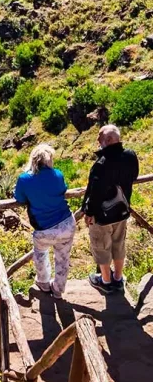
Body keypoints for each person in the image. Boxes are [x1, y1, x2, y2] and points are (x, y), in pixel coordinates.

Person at [14, 144, 76, 299]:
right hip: (66, 223)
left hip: (44, 228)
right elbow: (62, 190)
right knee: (63, 258)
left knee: (40, 254)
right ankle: (58, 290)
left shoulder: (24, 179)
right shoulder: (58, 175)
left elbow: (19, 199)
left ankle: (44, 283)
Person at [83, 124, 139, 294]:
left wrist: (89, 213)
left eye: (100, 139)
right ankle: (118, 278)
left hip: (102, 215)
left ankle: (105, 281)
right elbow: (134, 176)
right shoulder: (130, 156)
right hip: (122, 210)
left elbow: (95, 193)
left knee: (101, 246)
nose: (98, 142)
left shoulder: (102, 163)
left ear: (107, 141)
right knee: (118, 244)